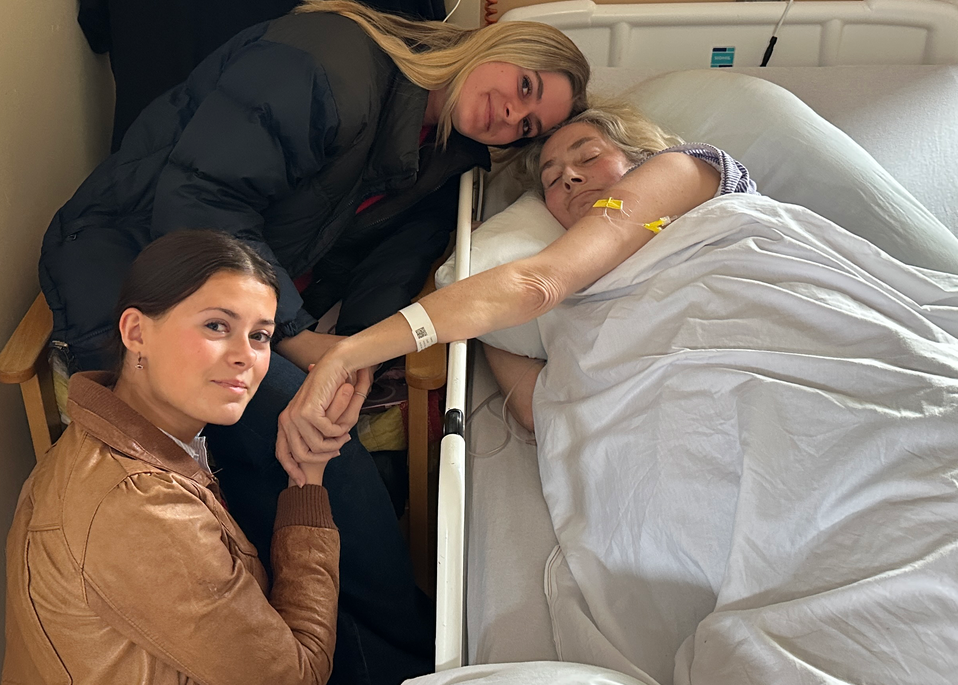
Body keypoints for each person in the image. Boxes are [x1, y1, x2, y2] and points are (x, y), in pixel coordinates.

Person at [38, 0, 591, 685]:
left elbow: (388, 260)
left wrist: (356, 353)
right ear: (493, 44)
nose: (511, 116)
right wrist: (298, 338)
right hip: (136, 261)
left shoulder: (443, 153)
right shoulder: (332, 63)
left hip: (244, 284)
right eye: (524, 86)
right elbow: (196, 199)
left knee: (319, 440)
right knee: (319, 460)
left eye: (529, 126)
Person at [277, 102, 756, 478]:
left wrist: (349, 353)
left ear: (642, 155)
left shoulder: (684, 170)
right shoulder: (584, 280)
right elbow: (536, 408)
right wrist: (485, 314)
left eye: (589, 157)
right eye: (552, 179)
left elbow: (535, 284)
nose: (570, 177)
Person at [3, 229, 358, 685]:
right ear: (136, 332)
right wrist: (307, 488)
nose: (246, 356)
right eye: (217, 325)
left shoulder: (126, 441)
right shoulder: (140, 505)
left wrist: (307, 471)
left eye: (260, 336)